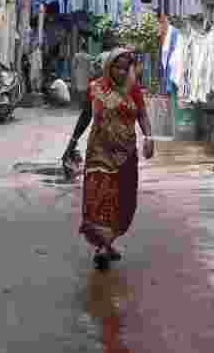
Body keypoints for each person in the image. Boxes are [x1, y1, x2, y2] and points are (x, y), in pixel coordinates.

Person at [78, 47, 154, 268]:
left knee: (123, 199)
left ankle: (108, 242)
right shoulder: (98, 88)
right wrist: (72, 143)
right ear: (108, 67)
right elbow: (85, 117)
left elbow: (142, 115)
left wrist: (149, 137)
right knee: (101, 197)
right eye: (116, 68)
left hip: (125, 153)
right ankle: (102, 246)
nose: (121, 72)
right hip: (100, 151)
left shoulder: (134, 90)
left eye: (125, 68)